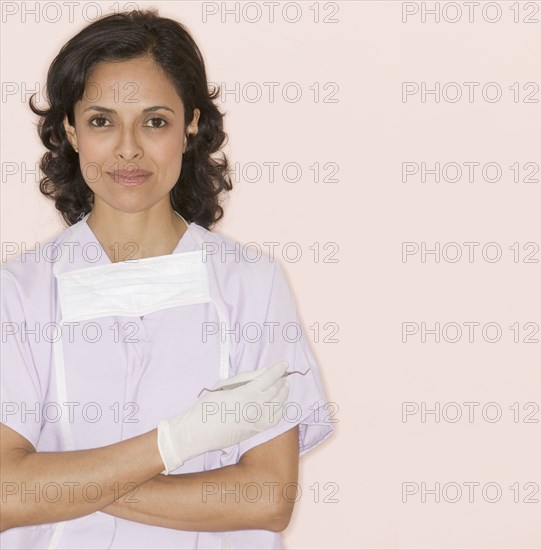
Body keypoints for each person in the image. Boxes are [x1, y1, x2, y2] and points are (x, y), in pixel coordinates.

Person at [0, 9, 335, 550]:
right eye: (101, 120)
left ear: (192, 125)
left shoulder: (251, 285)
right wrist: (178, 441)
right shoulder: (19, 292)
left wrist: (58, 481)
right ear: (70, 128)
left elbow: (268, 498)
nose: (128, 148)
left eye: (154, 120)